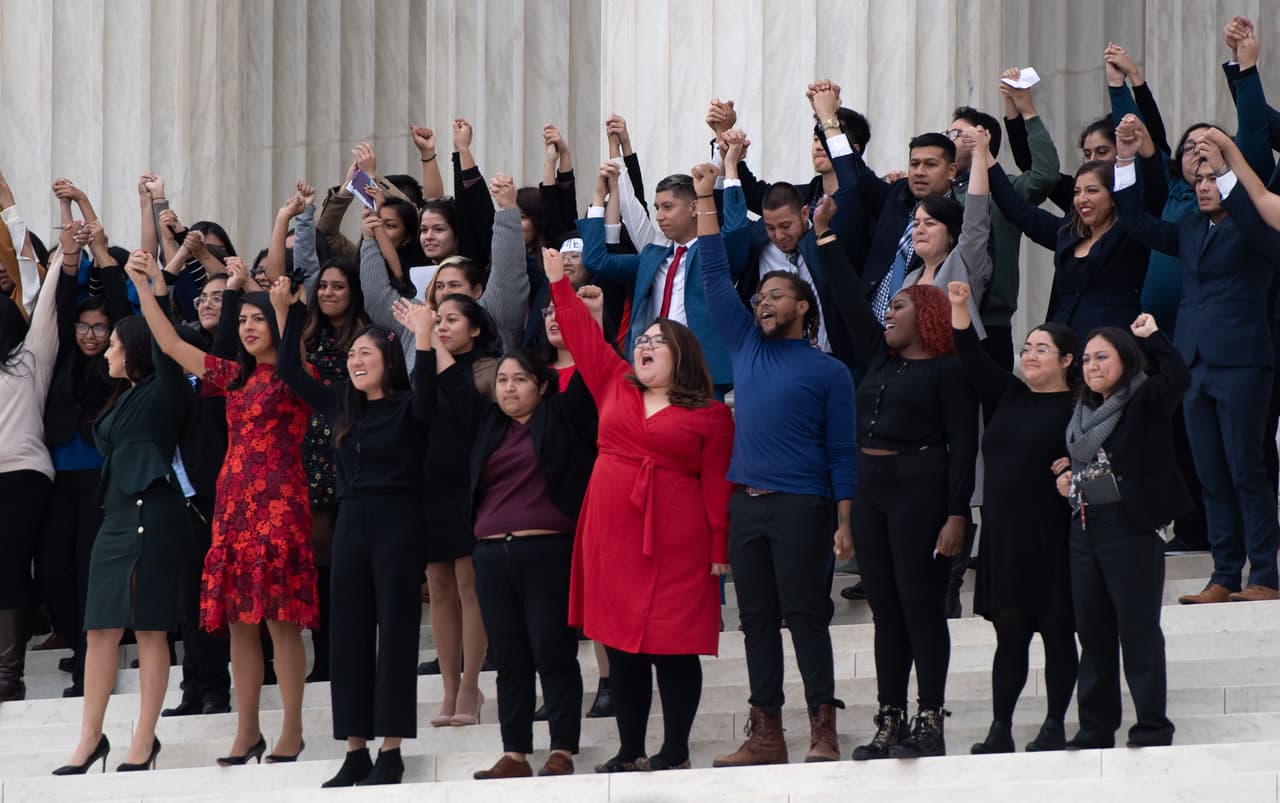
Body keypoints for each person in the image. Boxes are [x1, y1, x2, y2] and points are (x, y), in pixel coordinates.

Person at [690, 160, 855, 767]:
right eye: (760, 294)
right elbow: (712, 275)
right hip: (746, 503)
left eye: (776, 294)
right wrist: (706, 197)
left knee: (806, 616)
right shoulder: (745, 345)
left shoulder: (830, 372)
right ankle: (766, 734)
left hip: (802, 506)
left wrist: (844, 518)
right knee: (756, 621)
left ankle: (823, 729)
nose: (763, 301)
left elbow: (841, 450)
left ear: (803, 308)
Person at [548, 244, 733, 772]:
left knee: (674, 647)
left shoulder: (711, 415)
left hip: (679, 541)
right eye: (643, 340)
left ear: (683, 355)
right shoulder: (614, 384)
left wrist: (720, 547)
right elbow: (582, 336)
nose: (645, 346)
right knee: (621, 647)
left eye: (658, 341)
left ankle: (674, 748)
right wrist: (559, 284)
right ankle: (630, 749)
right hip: (612, 535)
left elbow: (718, 484)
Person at [130, 255, 318, 766]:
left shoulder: (296, 374)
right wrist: (143, 286)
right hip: (233, 504)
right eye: (243, 321)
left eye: (258, 318)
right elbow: (169, 344)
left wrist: (283, 308)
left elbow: (293, 359)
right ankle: (248, 730)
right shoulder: (232, 377)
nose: (249, 327)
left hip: (279, 503)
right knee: (238, 620)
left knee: (280, 621)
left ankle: (293, 729)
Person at [820, 195, 979, 760]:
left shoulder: (948, 369)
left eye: (900, 308)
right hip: (872, 491)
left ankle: (929, 717)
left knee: (920, 608)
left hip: (923, 488)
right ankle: (889, 718)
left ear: (927, 316)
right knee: (885, 613)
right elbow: (847, 300)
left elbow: (965, 443)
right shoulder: (880, 357)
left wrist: (957, 512)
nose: (888, 314)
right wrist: (825, 238)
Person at [275, 282, 437, 788]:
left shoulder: (409, 406)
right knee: (347, 634)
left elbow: (430, 403)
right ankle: (355, 749)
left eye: (367, 352)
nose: (356, 360)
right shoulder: (341, 407)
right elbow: (287, 371)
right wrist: (287, 312)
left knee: (395, 631)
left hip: (399, 522)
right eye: (353, 354)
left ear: (389, 360)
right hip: (352, 523)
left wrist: (425, 337)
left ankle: (391, 749)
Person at [1112, 126, 1280, 605]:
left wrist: (1228, 166)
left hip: (1243, 361)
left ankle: (1264, 573)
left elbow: (1256, 224)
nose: (1204, 185)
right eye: (1199, 178)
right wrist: (1125, 159)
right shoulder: (1188, 227)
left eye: (1213, 177)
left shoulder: (1254, 225)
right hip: (1193, 364)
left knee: (1245, 468)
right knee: (1210, 473)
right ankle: (1224, 573)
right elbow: (1136, 223)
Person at [55, 250, 196, 775]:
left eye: (113, 342)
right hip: (114, 518)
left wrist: (152, 284)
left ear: (133, 349)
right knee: (99, 631)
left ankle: (142, 739)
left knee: (153, 628)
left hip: (155, 513)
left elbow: (164, 340)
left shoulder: (164, 389)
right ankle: (89, 739)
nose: (105, 349)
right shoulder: (120, 397)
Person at [436, 344, 596, 780]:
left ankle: (562, 747)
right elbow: (453, 382)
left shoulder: (560, 417)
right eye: (503, 380)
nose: (509, 387)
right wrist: (426, 334)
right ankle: (516, 753)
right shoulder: (488, 426)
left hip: (547, 552)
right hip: (491, 555)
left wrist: (587, 324)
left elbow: (590, 373)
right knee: (509, 658)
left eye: (520, 379)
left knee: (553, 650)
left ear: (543, 387)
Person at [948, 281, 1079, 754]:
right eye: (1026, 347)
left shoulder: (1081, 407)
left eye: (1041, 348)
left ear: (1067, 360)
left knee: (1058, 630)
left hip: (1056, 537)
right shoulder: (1007, 394)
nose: (1029, 355)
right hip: (1006, 538)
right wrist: (960, 306)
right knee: (1010, 636)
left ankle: (1054, 725)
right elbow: (970, 354)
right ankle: (1000, 727)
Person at [1057, 314, 1190, 748]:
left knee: (1137, 629)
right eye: (1088, 359)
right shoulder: (1081, 412)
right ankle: (1096, 728)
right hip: (1084, 526)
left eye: (1103, 357)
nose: (1092, 366)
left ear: (1126, 360)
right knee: (1092, 632)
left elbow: (1178, 378)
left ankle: (1152, 726)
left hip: (1129, 527)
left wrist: (1154, 337)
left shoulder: (1145, 397)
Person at [37, 229, 132, 697]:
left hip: (99, 477)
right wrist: (68, 231)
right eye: (84, 327)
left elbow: (118, 302)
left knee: (88, 566)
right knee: (53, 567)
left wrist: (97, 248)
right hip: (58, 476)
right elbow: (61, 297)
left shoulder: (117, 366)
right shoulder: (60, 357)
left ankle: (89, 666)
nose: (91, 335)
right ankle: (76, 643)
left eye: (99, 328)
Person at [0, 256, 60, 704]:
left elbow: (45, 305)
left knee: (11, 568)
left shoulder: (30, 359)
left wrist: (61, 259)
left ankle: (8, 676)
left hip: (23, 474)